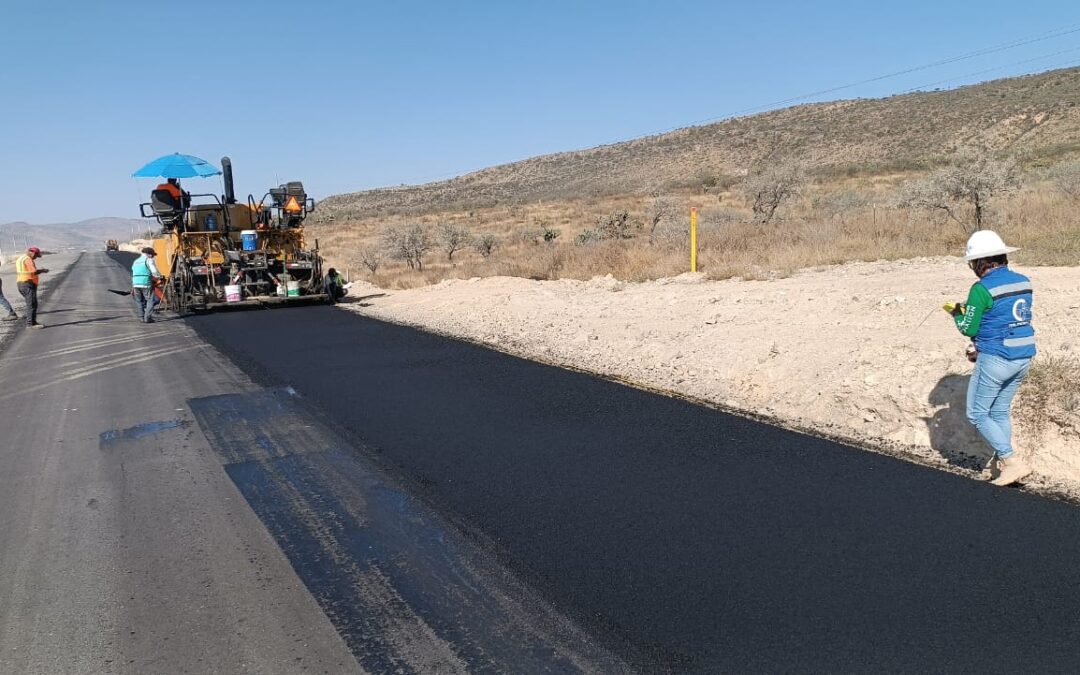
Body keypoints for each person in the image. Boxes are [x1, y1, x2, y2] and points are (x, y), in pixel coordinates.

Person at [946, 230, 1035, 487]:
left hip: (997, 357)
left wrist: (956, 312)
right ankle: (1000, 466)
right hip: (1023, 355)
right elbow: (1005, 317)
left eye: (973, 263)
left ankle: (1011, 460)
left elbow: (969, 328)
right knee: (998, 411)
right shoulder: (1023, 281)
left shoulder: (981, 289)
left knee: (977, 412)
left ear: (982, 262)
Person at [15, 247, 49, 329]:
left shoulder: (21, 258)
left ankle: (33, 322)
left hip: (21, 283)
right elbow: (34, 271)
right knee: (31, 304)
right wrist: (42, 270)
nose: (36, 258)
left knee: (32, 303)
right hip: (27, 283)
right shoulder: (28, 259)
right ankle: (30, 324)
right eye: (36, 256)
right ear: (33, 253)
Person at [131, 247, 163, 323]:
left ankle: (141, 317)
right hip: (145, 283)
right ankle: (147, 318)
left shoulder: (136, 261)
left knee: (139, 301)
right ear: (149, 254)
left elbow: (134, 271)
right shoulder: (148, 260)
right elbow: (154, 272)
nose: (153, 257)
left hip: (135, 284)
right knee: (150, 300)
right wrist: (160, 277)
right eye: (152, 255)